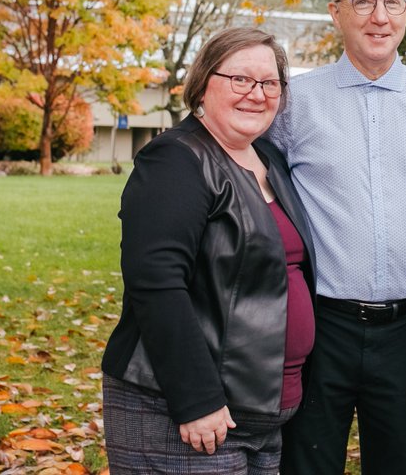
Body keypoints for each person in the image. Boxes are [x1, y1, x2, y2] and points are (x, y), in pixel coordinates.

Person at [268, 0, 406, 475]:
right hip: (319, 328)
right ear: (335, 12)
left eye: (392, 2)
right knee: (306, 465)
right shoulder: (293, 103)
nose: (380, 16)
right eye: (363, 2)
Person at [102, 27, 316, 473]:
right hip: (186, 415)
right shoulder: (176, 160)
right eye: (240, 79)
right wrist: (196, 399)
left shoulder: (268, 159)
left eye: (270, 83)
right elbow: (156, 283)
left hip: (261, 415)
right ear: (202, 85)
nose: (256, 94)